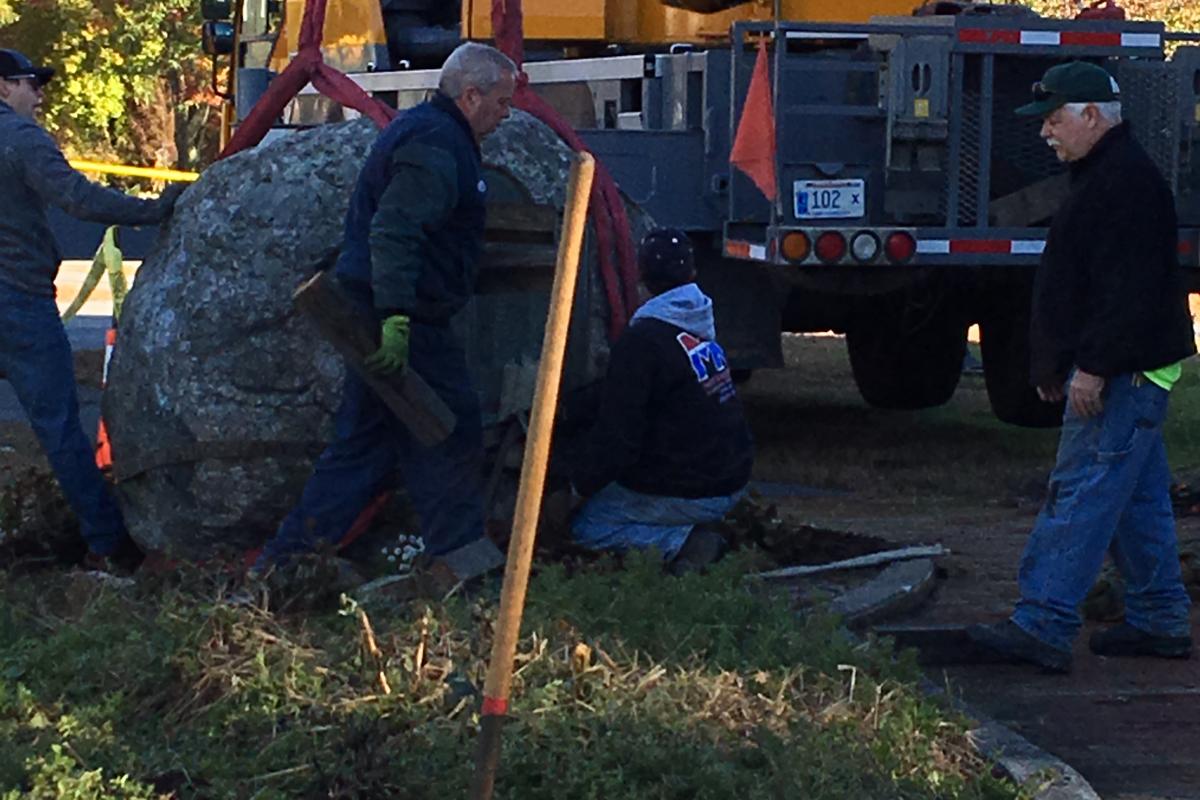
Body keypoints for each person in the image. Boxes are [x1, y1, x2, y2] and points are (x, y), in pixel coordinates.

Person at [966, 61, 1196, 672]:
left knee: (1080, 494)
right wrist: (1057, 360)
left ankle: (1042, 623)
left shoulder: (1122, 184)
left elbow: (1127, 292)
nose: (1045, 133)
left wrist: (1091, 368)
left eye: (1053, 119)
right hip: (1134, 369)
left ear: (1092, 116)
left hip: (1123, 373)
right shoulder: (1112, 176)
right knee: (1135, 501)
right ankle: (1160, 619)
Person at [254, 42, 517, 570]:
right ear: (471, 95)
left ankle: (285, 566)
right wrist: (396, 319)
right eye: (501, 102)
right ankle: (461, 560)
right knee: (450, 430)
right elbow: (395, 232)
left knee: (364, 447)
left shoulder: (432, 134)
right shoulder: (436, 146)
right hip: (404, 316)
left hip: (384, 308)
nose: (506, 114)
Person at [0, 48, 183, 573]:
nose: (40, 95)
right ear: (3, 86)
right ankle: (108, 543)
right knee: (59, 429)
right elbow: (78, 198)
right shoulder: (19, 138)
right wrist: (154, 210)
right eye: (32, 82)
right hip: (18, 302)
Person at [569, 229, 754, 572]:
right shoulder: (698, 324)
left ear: (640, 275)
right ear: (692, 272)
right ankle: (694, 524)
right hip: (732, 478)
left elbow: (617, 442)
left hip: (694, 489)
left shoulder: (641, 342)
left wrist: (574, 490)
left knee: (588, 527)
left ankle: (683, 541)